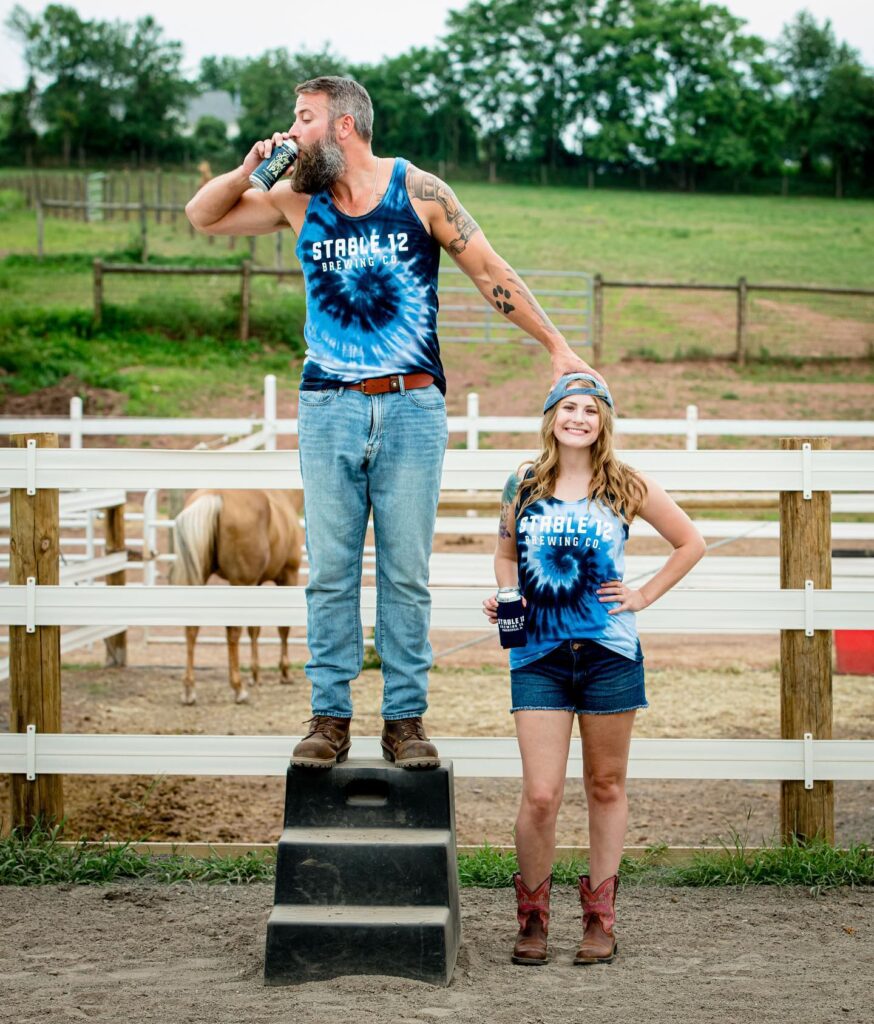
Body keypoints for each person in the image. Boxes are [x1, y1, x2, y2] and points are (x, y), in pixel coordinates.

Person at [186, 76, 601, 770]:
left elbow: (489, 269)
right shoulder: (296, 197)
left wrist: (558, 346)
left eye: (304, 118)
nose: (292, 131)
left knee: (406, 572)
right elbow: (204, 217)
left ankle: (405, 721)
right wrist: (248, 166)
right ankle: (330, 717)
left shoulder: (422, 193)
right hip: (328, 407)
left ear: (344, 126)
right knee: (330, 572)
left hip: (411, 408)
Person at [482, 373, 706, 965]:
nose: (578, 417)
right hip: (539, 656)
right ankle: (532, 917)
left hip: (609, 654)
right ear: (551, 414)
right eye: (568, 406)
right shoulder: (524, 484)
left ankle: (600, 919)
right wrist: (509, 598)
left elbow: (690, 542)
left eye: (591, 409)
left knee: (605, 786)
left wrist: (643, 595)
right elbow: (506, 556)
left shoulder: (624, 484)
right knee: (540, 794)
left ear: (604, 421)